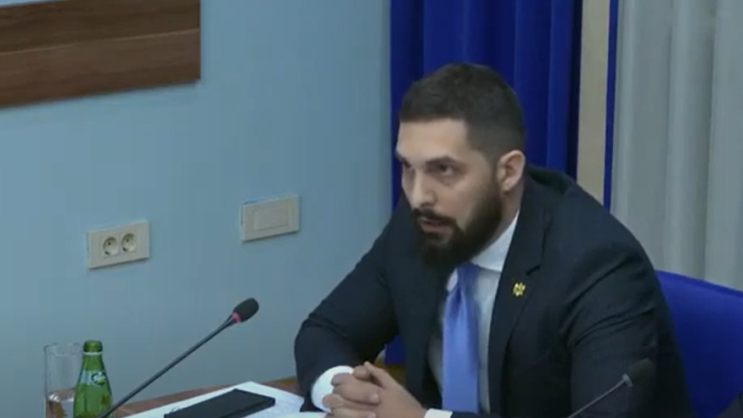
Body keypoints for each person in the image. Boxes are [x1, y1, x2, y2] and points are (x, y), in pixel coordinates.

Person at [293, 62, 693, 418]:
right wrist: (347, 394)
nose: (417, 195)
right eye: (408, 168)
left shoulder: (597, 265)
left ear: (509, 172)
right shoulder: (425, 222)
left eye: (444, 170)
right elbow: (325, 332)